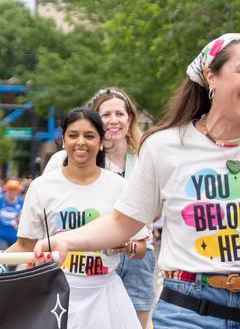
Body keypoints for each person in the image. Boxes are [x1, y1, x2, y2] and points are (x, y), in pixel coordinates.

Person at [37, 34, 240, 328]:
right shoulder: (164, 145)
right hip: (188, 308)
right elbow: (123, 222)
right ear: (211, 76)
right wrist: (66, 240)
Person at [10, 108, 144, 328]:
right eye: (73, 135)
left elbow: (141, 248)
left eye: (89, 136)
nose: (80, 142)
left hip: (105, 297)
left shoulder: (120, 187)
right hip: (53, 294)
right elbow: (24, 245)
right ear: (63, 141)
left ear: (101, 142)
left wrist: (126, 246)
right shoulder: (41, 187)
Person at [45, 87, 158, 324]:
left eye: (120, 113)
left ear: (130, 119)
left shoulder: (146, 157)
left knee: (134, 323)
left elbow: (158, 206)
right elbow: (47, 202)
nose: (113, 120)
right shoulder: (71, 159)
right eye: (106, 115)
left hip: (137, 254)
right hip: (85, 257)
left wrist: (127, 240)